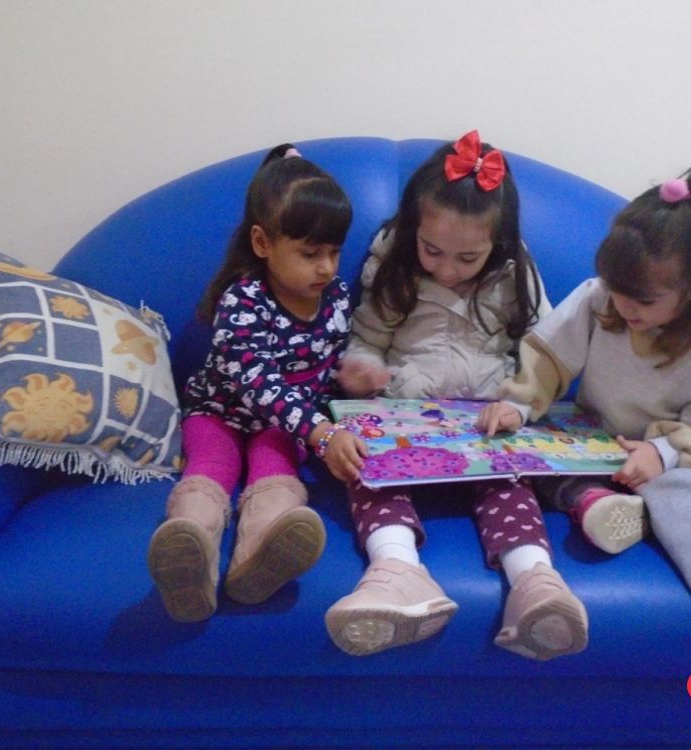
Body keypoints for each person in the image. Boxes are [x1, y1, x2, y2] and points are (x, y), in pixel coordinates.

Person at [479, 168, 691, 750]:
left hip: (682, 459)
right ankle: (593, 502)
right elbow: (548, 359)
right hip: (594, 444)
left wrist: (662, 454)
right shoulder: (601, 300)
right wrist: (518, 404)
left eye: (641, 299)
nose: (622, 306)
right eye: (616, 288)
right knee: (520, 459)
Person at [326, 130, 588, 662]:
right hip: (404, 416)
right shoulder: (394, 263)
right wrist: (362, 371)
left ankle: (535, 582)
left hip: (483, 421)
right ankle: (397, 570)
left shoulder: (515, 273)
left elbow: (544, 352)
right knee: (362, 465)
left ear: (498, 242)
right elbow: (368, 338)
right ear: (413, 231)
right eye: (432, 250)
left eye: (467, 258)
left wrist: (518, 404)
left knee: (509, 481)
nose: (446, 269)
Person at [147, 144, 367, 624]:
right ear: (263, 243)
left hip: (285, 428)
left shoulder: (336, 297)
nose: (327, 268)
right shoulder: (243, 300)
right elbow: (257, 381)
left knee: (275, 471)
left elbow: (331, 362)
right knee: (209, 467)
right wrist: (321, 432)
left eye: (334, 252)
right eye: (310, 254)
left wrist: (354, 376)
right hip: (220, 414)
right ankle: (190, 549)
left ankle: (258, 559)